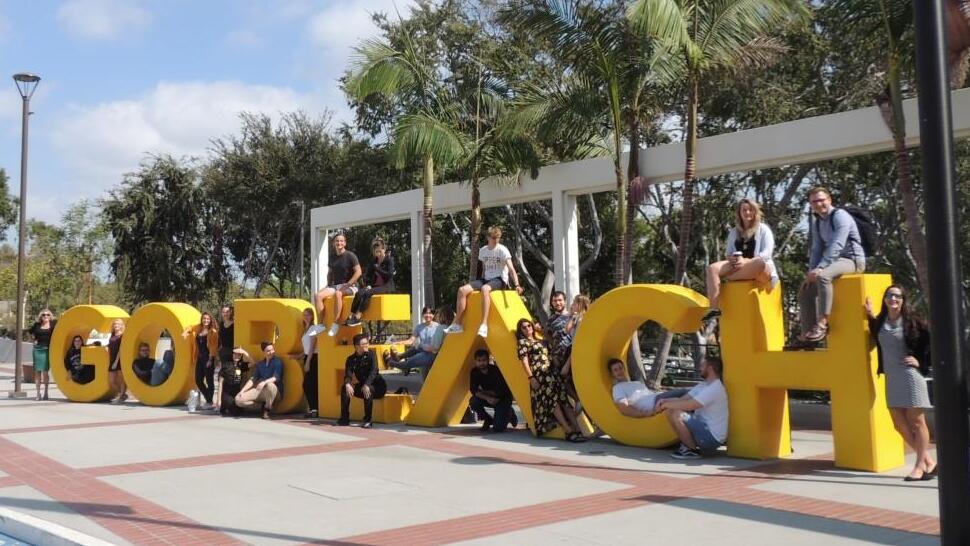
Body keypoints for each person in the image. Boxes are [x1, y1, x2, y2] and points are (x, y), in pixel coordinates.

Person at [865, 285, 936, 481]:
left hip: (910, 376)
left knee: (916, 422)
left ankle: (920, 465)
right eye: (889, 295)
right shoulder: (881, 321)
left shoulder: (912, 321)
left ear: (903, 300)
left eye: (897, 296)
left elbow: (931, 341)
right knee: (899, 424)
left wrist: (921, 361)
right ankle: (929, 461)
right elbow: (875, 331)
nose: (893, 299)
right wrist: (869, 314)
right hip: (892, 377)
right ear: (885, 299)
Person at [798, 187, 866, 343]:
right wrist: (811, 273)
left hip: (852, 260)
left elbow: (837, 244)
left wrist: (820, 268)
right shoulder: (817, 223)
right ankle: (807, 336)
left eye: (821, 200)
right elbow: (816, 249)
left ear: (829, 200)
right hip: (833, 262)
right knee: (806, 289)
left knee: (823, 277)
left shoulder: (840, 216)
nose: (818, 204)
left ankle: (822, 323)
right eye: (814, 201)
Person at [703, 199, 779, 322]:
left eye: (750, 210)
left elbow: (766, 254)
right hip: (738, 266)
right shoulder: (734, 232)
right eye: (744, 210)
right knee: (712, 268)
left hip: (759, 267)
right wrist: (732, 258)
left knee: (759, 263)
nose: (747, 212)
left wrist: (745, 261)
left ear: (755, 212)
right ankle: (714, 309)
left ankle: (729, 278)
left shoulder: (763, 229)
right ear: (739, 212)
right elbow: (728, 253)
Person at [445, 226, 524, 338]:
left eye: (498, 237)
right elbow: (483, 269)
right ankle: (458, 324)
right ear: (488, 237)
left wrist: (517, 285)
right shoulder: (483, 250)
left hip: (499, 279)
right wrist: (477, 283)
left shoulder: (503, 250)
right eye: (493, 237)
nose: (496, 240)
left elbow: (511, 269)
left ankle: (484, 325)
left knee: (485, 289)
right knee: (462, 290)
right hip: (485, 279)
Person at [516, 318, 586, 442]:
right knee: (553, 402)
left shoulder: (542, 341)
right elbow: (525, 362)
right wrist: (531, 377)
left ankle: (577, 429)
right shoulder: (523, 343)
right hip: (540, 375)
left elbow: (551, 344)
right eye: (524, 327)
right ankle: (568, 431)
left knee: (563, 399)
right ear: (520, 330)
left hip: (552, 372)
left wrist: (540, 331)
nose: (527, 328)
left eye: (529, 325)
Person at [656, 356, 729, 459]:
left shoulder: (715, 388)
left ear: (710, 368)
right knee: (670, 411)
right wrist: (665, 401)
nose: (700, 368)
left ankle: (691, 450)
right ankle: (687, 446)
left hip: (712, 438)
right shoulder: (704, 385)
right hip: (702, 429)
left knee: (677, 414)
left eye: (702, 365)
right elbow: (683, 399)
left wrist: (666, 405)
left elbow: (690, 405)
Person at [314, 233, 362, 337]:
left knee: (338, 294)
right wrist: (327, 285)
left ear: (344, 243)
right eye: (337, 241)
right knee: (318, 296)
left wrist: (349, 284)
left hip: (351, 286)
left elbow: (358, 272)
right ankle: (320, 325)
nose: (339, 243)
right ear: (333, 243)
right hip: (335, 285)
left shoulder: (350, 255)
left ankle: (336, 323)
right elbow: (330, 272)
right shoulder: (332, 257)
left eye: (341, 241)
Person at [338, 333, 387, 428]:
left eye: (367, 343)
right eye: (363, 344)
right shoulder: (351, 359)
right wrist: (347, 383)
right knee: (344, 388)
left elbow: (374, 371)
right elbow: (348, 374)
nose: (366, 345)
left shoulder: (371, 354)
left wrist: (367, 384)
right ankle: (344, 418)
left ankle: (367, 419)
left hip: (377, 387)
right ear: (356, 346)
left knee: (368, 390)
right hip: (363, 386)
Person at [344, 238, 395, 327]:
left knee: (368, 293)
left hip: (386, 286)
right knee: (359, 293)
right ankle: (351, 315)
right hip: (374, 285)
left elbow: (389, 274)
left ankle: (358, 316)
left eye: (380, 251)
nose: (378, 254)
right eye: (376, 252)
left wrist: (378, 268)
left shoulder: (389, 260)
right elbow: (368, 275)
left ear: (384, 249)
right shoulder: (374, 261)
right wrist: (368, 285)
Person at [386, 306, 444, 378]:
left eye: (430, 313)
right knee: (416, 348)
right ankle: (399, 357)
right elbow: (411, 341)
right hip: (423, 352)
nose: (428, 315)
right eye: (426, 313)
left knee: (411, 362)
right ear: (423, 314)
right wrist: (400, 342)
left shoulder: (438, 327)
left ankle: (394, 364)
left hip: (432, 353)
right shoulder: (419, 327)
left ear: (433, 315)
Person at [469, 349, 518, 432]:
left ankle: (510, 412)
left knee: (498, 428)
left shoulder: (496, 371)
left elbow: (500, 391)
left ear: (488, 360)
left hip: (503, 399)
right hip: (490, 398)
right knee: (473, 401)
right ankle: (488, 419)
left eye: (484, 360)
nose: (481, 363)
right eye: (479, 360)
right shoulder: (474, 372)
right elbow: (474, 390)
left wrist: (483, 393)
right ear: (476, 361)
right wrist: (487, 398)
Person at [235, 341, 283, 419]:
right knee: (238, 399)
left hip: (274, 392)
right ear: (264, 352)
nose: (271, 352)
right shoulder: (261, 364)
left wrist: (264, 382)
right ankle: (259, 406)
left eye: (272, 350)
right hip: (260, 391)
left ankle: (267, 409)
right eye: (268, 351)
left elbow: (276, 377)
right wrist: (242, 391)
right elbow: (253, 379)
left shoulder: (277, 362)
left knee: (270, 385)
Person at [182, 312, 220, 410]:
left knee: (209, 380)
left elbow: (213, 347)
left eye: (208, 319)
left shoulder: (213, 332)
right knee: (198, 380)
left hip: (208, 358)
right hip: (199, 357)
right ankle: (209, 399)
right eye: (204, 319)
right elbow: (190, 327)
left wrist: (210, 359)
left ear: (210, 320)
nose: (206, 320)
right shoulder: (198, 328)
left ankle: (209, 401)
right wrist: (185, 332)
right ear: (202, 319)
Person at [293, 308, 325, 418]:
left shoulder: (313, 328)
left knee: (309, 384)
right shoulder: (305, 329)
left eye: (308, 315)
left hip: (313, 358)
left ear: (312, 316)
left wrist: (308, 362)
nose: (306, 317)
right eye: (304, 314)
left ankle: (314, 409)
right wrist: (297, 356)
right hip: (307, 356)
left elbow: (312, 347)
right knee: (310, 384)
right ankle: (313, 409)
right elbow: (306, 349)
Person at [28, 308, 57, 401]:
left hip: (47, 350)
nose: (46, 316)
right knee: (37, 372)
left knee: (45, 372)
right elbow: (30, 332)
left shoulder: (53, 324)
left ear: (50, 316)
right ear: (41, 316)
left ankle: (46, 392)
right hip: (37, 349)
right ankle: (37, 393)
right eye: (44, 315)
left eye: (48, 314)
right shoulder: (37, 325)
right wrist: (33, 340)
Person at [220, 347, 252, 416]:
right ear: (232, 354)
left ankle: (227, 407)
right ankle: (224, 406)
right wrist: (218, 400)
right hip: (227, 393)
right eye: (235, 354)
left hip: (236, 393)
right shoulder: (226, 365)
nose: (237, 356)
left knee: (240, 411)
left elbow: (253, 363)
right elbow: (220, 383)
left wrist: (245, 352)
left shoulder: (241, 365)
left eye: (239, 355)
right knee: (234, 411)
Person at [108, 319, 127, 404]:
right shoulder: (112, 334)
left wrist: (116, 361)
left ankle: (121, 396)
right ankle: (122, 395)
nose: (116, 325)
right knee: (112, 380)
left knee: (121, 379)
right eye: (115, 324)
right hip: (112, 359)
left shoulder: (122, 335)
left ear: (121, 325)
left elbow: (121, 349)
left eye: (118, 324)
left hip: (119, 359)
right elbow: (111, 345)